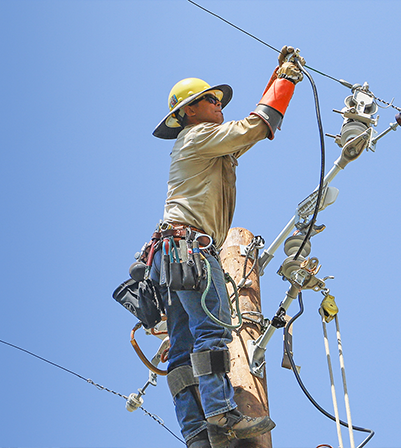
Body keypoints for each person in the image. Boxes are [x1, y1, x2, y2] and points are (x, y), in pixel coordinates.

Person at [149, 46, 304, 448]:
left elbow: (250, 135)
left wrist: (275, 77)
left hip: (170, 258)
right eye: (211, 100)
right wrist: (286, 82)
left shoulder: (204, 145)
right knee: (214, 331)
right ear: (190, 111)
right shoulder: (198, 136)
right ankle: (220, 414)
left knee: (182, 352)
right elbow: (256, 126)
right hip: (192, 251)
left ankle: (197, 435)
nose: (218, 105)